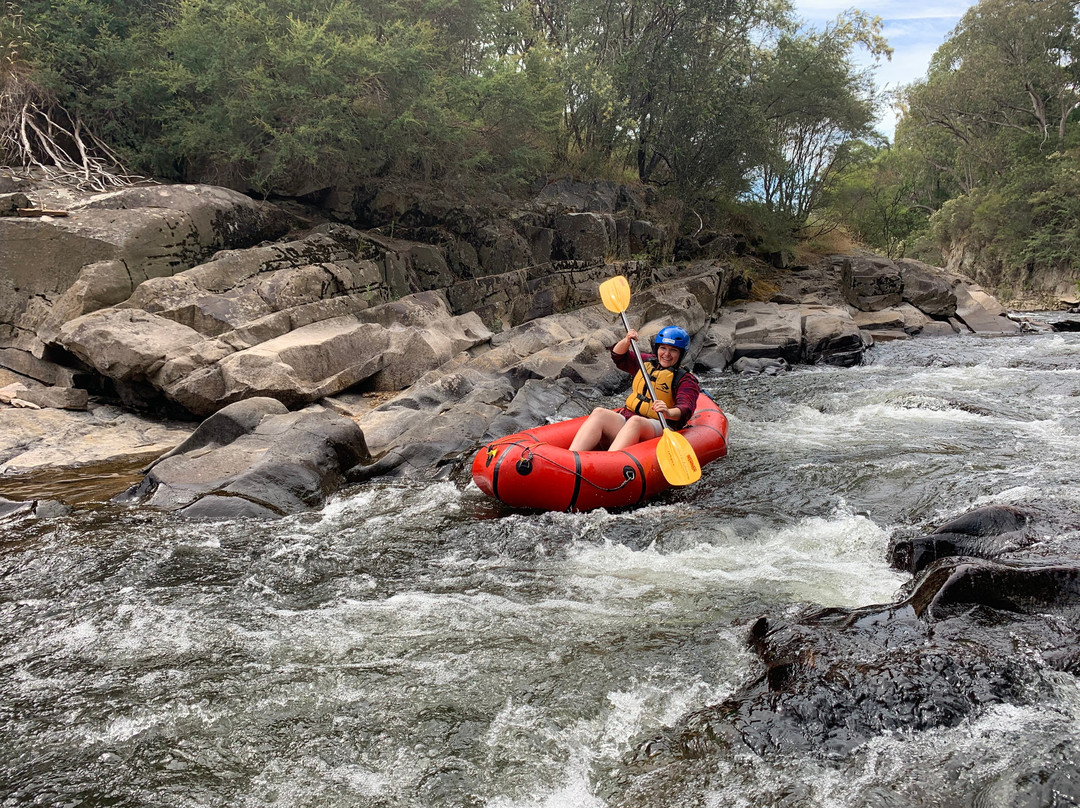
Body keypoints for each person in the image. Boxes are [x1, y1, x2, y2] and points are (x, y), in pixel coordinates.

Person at [568, 325, 701, 452]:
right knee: (599, 412)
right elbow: (618, 356)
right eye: (663, 348)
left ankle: (611, 461)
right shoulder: (646, 362)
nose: (666, 354)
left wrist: (668, 412)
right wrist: (626, 341)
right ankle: (572, 457)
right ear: (657, 348)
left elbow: (685, 408)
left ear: (681, 354)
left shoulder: (685, 380)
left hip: (661, 425)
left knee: (636, 422)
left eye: (673, 350)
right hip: (630, 418)